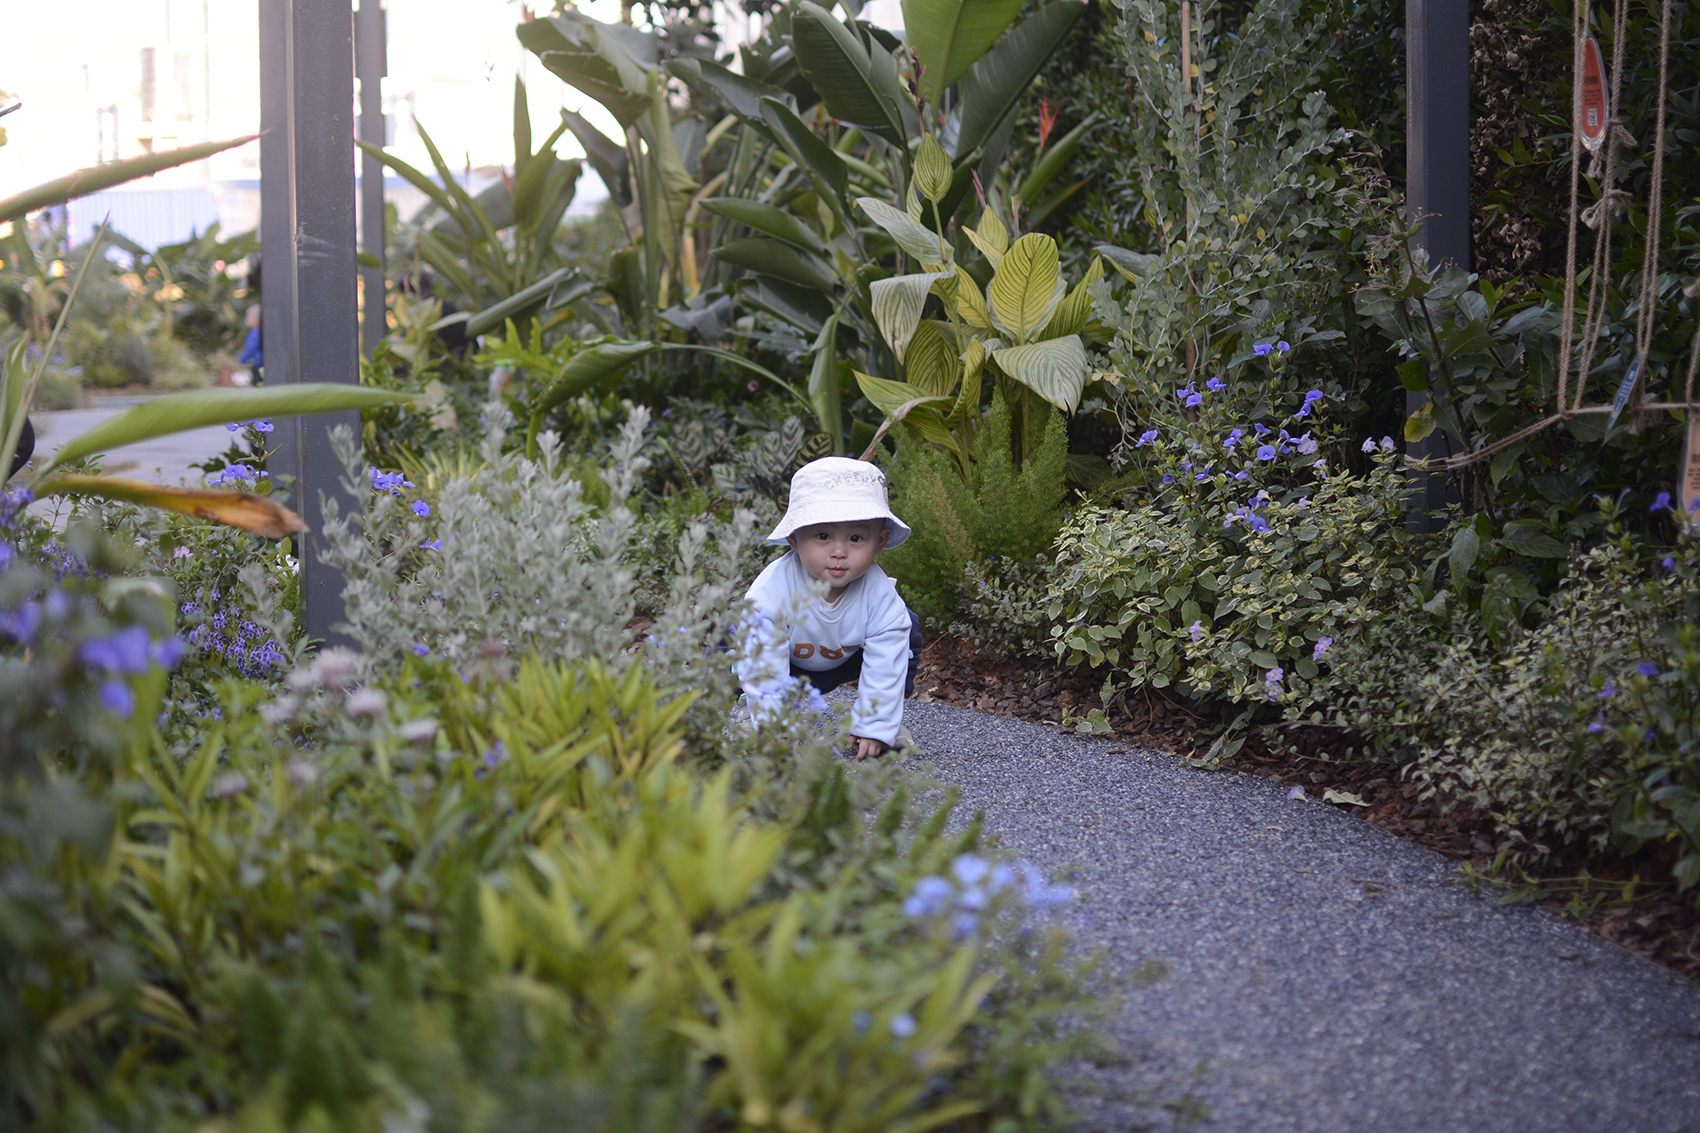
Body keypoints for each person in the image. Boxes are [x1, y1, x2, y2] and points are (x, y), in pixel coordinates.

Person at [739, 457, 922, 760]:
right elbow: (763, 659)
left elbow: (886, 660)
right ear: (794, 538)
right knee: (738, 625)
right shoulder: (773, 590)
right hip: (785, 663)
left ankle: (886, 722)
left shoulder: (877, 594)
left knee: (906, 629)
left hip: (844, 660)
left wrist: (875, 725)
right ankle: (751, 711)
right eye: (823, 536)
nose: (839, 552)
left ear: (880, 542)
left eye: (856, 538)